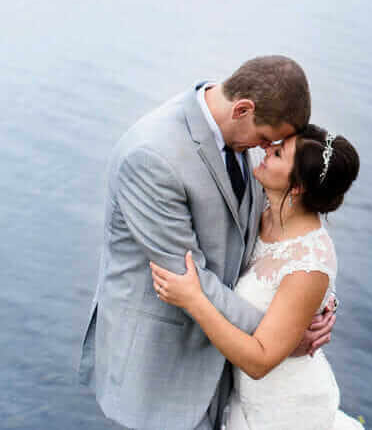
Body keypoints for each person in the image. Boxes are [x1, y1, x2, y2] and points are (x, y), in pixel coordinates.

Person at [79, 56, 335, 430]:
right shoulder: (151, 156)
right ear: (243, 108)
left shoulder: (236, 132)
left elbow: (279, 241)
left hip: (227, 362)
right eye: (266, 140)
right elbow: (187, 276)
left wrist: (315, 303)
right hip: (163, 365)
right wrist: (280, 336)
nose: (265, 150)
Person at [150, 125, 362, 430]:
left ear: (298, 186)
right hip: (242, 398)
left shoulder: (308, 265)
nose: (265, 151)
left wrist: (193, 300)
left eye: (278, 154)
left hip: (285, 411)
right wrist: (324, 303)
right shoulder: (260, 207)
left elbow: (260, 360)